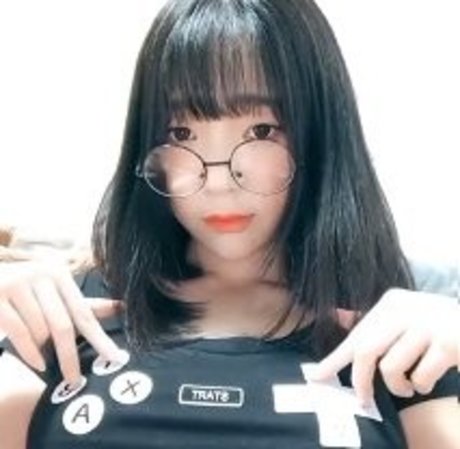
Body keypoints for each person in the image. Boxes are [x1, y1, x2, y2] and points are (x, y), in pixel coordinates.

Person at [0, 0, 458, 448]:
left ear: (320, 137)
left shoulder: (394, 333)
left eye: (261, 131)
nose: (218, 183)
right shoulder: (70, 309)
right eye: (180, 134)